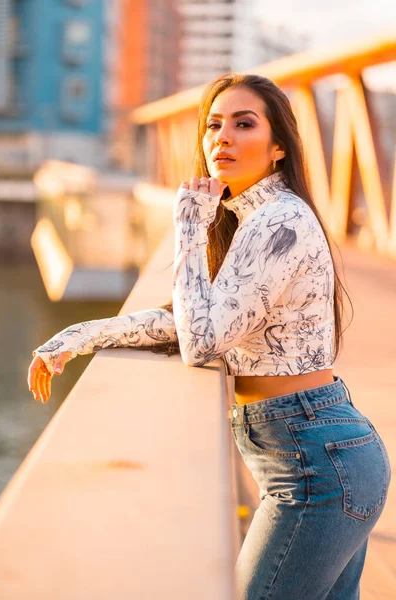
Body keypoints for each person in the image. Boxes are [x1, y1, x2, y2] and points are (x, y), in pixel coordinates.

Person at [27, 73, 391, 599]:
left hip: (316, 465)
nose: (222, 137)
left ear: (278, 147)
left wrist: (191, 223)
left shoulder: (278, 221)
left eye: (244, 124)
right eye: (214, 125)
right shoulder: (256, 220)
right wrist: (80, 335)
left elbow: (202, 342)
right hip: (322, 452)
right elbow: (189, 318)